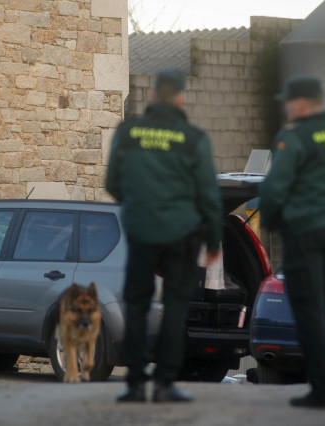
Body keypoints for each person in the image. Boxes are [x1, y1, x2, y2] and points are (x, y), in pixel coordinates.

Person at [106, 68, 223, 403]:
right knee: (174, 306)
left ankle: (135, 383)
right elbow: (208, 195)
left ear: (153, 96)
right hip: (181, 234)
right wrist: (214, 241)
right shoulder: (193, 138)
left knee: (137, 305)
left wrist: (140, 206)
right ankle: (165, 383)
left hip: (141, 232)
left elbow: (112, 183)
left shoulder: (128, 132)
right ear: (182, 97)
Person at [259, 76, 325, 409]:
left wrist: (272, 223)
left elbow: (274, 189)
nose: (287, 107)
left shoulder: (295, 137)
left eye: (289, 101)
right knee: (324, 309)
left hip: (306, 233)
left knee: (308, 311)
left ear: (301, 103)